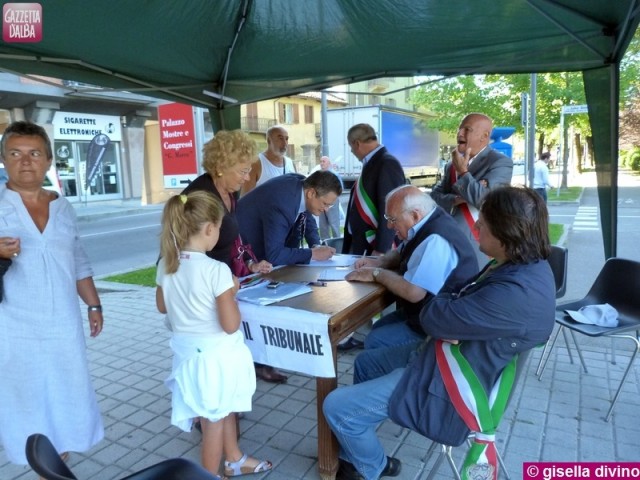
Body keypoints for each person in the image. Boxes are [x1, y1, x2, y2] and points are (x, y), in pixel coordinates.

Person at [323, 186, 556, 480]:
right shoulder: (522, 267)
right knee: (365, 362)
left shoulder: (513, 293)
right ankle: (360, 441)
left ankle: (371, 466)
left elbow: (432, 315)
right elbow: (452, 299)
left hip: (452, 383)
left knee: (335, 406)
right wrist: (450, 300)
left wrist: (447, 300)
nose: (477, 225)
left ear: (506, 232)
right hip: (447, 354)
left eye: (484, 221)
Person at [0, 121, 104, 466]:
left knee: (65, 398)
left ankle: (57, 464)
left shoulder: (63, 206)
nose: (25, 161)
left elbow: (77, 259)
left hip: (63, 326)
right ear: (4, 159)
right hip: (15, 328)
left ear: (47, 162)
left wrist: (93, 304)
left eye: (34, 154)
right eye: (15, 153)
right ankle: (43, 466)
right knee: (26, 403)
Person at [156, 190, 272, 479]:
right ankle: (210, 474)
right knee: (214, 422)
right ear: (209, 229)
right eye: (219, 228)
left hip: (189, 357)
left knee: (224, 408)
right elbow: (231, 324)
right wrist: (230, 292)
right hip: (215, 360)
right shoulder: (216, 271)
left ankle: (234, 459)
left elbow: (162, 305)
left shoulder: (166, 264)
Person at [180, 131, 281, 384]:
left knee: (224, 347)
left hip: (222, 279)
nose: (248, 177)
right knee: (208, 351)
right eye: (243, 171)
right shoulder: (199, 195)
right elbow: (182, 248)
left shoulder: (230, 191)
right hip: (202, 285)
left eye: (249, 170)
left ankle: (223, 404)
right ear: (221, 166)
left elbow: (231, 237)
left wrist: (248, 263)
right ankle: (208, 412)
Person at [346, 185, 478, 350]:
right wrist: (379, 262)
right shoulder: (427, 221)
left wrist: (376, 273)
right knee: (378, 329)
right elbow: (402, 252)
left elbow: (413, 293)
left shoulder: (436, 239)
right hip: (425, 313)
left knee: (374, 341)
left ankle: (406, 373)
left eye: (392, 219)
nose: (388, 226)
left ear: (415, 215)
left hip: (440, 326)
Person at [431, 113, 513, 266]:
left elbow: (485, 201)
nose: (460, 133)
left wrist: (463, 172)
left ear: (484, 136)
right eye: (460, 129)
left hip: (476, 242)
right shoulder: (451, 165)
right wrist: (455, 199)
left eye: (467, 129)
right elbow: (434, 196)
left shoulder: (500, 162)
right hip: (446, 239)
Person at [236, 171, 341, 266]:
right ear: (311, 193)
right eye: (325, 204)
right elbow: (275, 255)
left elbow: (308, 221)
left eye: (329, 205)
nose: (327, 210)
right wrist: (312, 253)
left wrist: (316, 245)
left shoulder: (304, 187)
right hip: (239, 252)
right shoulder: (283, 203)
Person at [342, 123, 406, 256]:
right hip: (362, 243)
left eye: (351, 146)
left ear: (357, 144)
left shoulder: (387, 163)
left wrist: (382, 248)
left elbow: (391, 208)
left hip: (374, 246)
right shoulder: (372, 162)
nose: (351, 151)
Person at [241, 125, 296, 195]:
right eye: (280, 138)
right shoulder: (256, 163)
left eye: (286, 139)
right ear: (269, 140)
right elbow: (245, 198)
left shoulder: (291, 163)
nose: (285, 143)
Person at [313, 155, 343, 239]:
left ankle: (337, 245)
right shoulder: (319, 174)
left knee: (334, 225)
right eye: (321, 161)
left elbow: (340, 189)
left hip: (331, 202)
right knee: (323, 226)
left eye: (324, 161)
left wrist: (330, 202)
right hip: (321, 202)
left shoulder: (334, 174)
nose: (321, 163)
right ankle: (325, 246)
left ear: (329, 163)